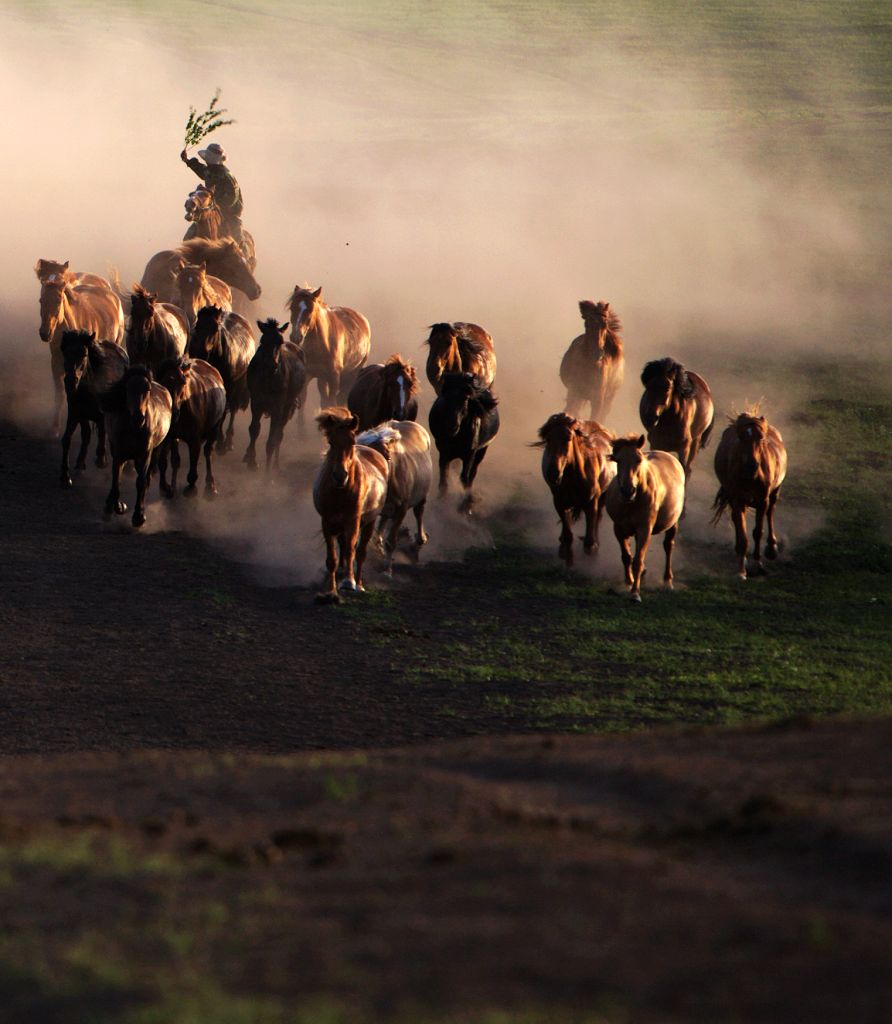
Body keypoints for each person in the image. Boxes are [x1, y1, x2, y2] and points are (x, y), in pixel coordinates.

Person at [180, 142, 244, 242]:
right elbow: (201, 171)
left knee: (236, 237)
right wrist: (187, 160)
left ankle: (245, 255)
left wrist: (215, 204)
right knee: (190, 235)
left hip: (228, 212)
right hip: (210, 209)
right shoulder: (210, 170)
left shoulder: (227, 176)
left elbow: (232, 198)